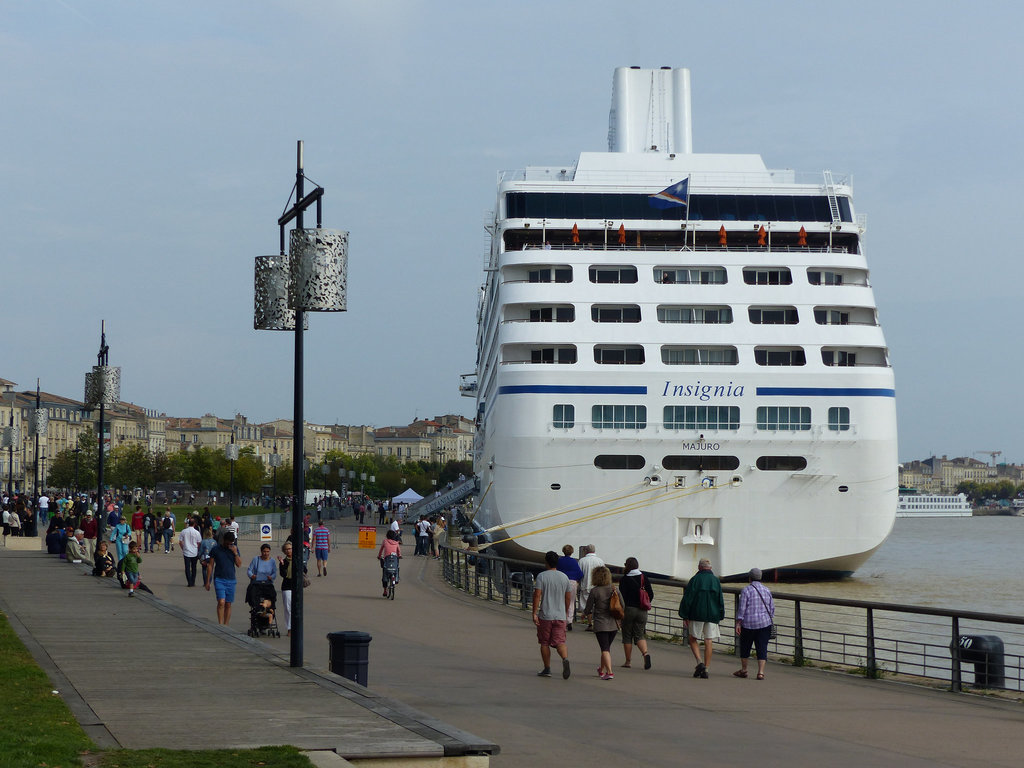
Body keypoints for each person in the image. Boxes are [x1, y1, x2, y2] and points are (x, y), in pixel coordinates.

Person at [678, 557, 725, 678]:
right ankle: (707, 669)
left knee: (692, 638)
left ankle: (699, 662)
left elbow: (688, 598)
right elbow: (720, 600)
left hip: (697, 613)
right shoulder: (716, 581)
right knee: (708, 640)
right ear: (710, 568)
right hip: (712, 615)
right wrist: (721, 614)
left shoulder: (695, 579)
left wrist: (684, 614)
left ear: (699, 567)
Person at [532, 550, 572, 679]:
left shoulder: (542, 576)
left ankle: (547, 668)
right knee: (560, 641)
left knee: (544, 642)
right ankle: (565, 658)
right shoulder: (564, 577)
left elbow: (537, 595)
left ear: (546, 562)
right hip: (560, 615)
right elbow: (568, 597)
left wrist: (534, 612)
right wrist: (565, 612)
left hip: (546, 615)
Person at [734, 568, 775, 680]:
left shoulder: (746, 590)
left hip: (748, 624)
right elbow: (772, 609)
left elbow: (742, 608)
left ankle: (744, 670)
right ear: (760, 578)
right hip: (764, 623)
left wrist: (738, 623)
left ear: (750, 578)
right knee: (762, 647)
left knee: (745, 647)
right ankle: (760, 672)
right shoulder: (767, 590)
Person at [583, 565, 620, 680]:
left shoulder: (595, 591)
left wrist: (584, 614)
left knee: (604, 649)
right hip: (614, 624)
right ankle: (601, 669)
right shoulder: (615, 589)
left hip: (601, 623)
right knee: (606, 648)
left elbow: (588, 608)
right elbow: (622, 605)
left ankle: (610, 672)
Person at [618, 556, 654, 670]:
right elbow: (651, 594)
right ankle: (645, 654)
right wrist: (644, 603)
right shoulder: (644, 577)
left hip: (629, 609)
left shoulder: (624, 579)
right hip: (643, 610)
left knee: (627, 635)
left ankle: (628, 661)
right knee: (639, 635)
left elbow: (621, 598)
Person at [204, 531, 242, 625]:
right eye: (228, 543)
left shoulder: (234, 549)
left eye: (231, 543)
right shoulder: (216, 549)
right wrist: (208, 581)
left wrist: (235, 553)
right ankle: (220, 624)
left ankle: (226, 624)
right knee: (221, 602)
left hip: (231, 579)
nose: (229, 545)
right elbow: (210, 565)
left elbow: (239, 564)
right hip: (219, 579)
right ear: (224, 540)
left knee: (228, 604)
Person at [277, 541, 304, 636]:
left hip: (297, 586)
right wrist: (282, 564)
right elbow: (283, 574)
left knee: (297, 608)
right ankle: (290, 628)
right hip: (287, 585)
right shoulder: (284, 561)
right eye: (286, 549)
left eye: (290, 548)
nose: (288, 551)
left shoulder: (298, 559)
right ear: (284, 551)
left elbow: (305, 570)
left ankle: (297, 627)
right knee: (288, 608)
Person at [556, 545, 584, 629]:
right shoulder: (574, 562)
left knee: (560, 600)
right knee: (571, 602)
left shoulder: (559, 561)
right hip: (572, 582)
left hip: (561, 581)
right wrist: (577, 581)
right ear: (572, 552)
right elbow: (580, 574)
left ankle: (560, 619)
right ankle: (569, 621)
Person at [577, 545, 604, 626]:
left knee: (587, 606)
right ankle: (597, 623)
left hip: (585, 585)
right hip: (597, 586)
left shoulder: (582, 561)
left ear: (586, 551)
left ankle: (590, 623)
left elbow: (579, 573)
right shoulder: (600, 561)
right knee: (597, 605)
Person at [178, 517, 203, 587]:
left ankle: (189, 581)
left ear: (188, 523)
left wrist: (183, 548)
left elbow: (180, 541)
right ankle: (193, 581)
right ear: (194, 524)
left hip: (186, 551)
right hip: (194, 552)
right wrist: (197, 549)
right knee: (194, 567)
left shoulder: (184, 531)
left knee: (187, 567)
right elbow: (199, 542)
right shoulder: (197, 532)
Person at [377, 529, 402, 596]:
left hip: (387, 559)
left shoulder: (385, 541)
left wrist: (379, 556)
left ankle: (385, 590)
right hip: (394, 558)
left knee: (385, 573)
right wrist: (399, 556)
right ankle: (397, 578)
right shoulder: (396, 543)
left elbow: (381, 549)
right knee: (397, 567)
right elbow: (399, 552)